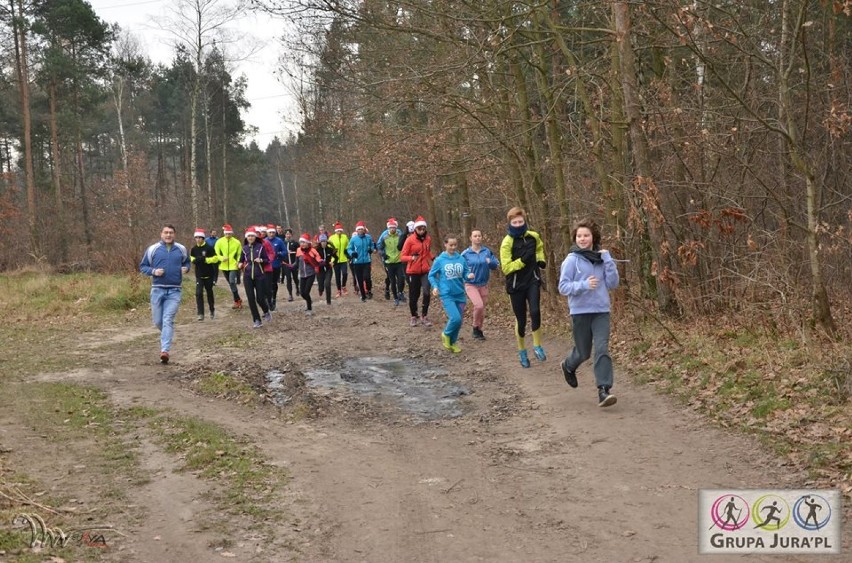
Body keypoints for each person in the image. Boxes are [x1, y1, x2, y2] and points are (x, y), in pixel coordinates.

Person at [558, 219, 620, 407]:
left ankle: (603, 390)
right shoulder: (571, 260)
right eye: (579, 236)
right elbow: (562, 286)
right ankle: (568, 365)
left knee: (601, 348)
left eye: (586, 235)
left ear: (593, 237)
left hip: (601, 311)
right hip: (580, 312)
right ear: (575, 238)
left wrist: (608, 260)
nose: (582, 239)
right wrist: (584, 285)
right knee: (583, 352)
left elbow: (613, 284)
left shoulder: (602, 259)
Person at [500, 207, 547, 368]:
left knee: (535, 311)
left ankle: (537, 345)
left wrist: (540, 260)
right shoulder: (507, 242)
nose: (518, 224)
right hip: (516, 284)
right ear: (510, 223)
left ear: (524, 221)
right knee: (521, 320)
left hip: (532, 280)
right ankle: (522, 351)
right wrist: (522, 261)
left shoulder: (533, 236)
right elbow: (506, 268)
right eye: (515, 222)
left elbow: (539, 249)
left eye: (520, 221)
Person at [139, 225, 190, 364]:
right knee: (158, 321)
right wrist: (154, 271)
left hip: (175, 290)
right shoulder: (153, 249)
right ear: (161, 234)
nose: (168, 235)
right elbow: (143, 267)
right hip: (157, 289)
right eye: (166, 232)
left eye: (171, 233)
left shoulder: (181, 249)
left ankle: (165, 351)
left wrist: (186, 268)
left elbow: (187, 262)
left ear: (175, 234)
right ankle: (168, 334)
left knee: (167, 319)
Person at [429, 234, 473, 353]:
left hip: (460, 294)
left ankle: (452, 342)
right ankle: (446, 334)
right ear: (445, 244)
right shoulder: (440, 260)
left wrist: (468, 276)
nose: (453, 247)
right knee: (455, 318)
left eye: (455, 245)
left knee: (459, 322)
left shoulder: (461, 258)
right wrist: (435, 287)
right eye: (451, 245)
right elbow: (431, 275)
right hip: (447, 294)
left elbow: (465, 273)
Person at [462, 229, 500, 340]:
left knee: (482, 310)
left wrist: (490, 262)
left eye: (479, 236)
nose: (477, 238)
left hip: (483, 284)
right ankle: (475, 327)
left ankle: (479, 330)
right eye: (475, 236)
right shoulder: (465, 254)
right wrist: (467, 274)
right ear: (471, 238)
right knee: (478, 305)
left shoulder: (487, 251)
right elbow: (461, 269)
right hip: (471, 284)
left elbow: (495, 265)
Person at [401, 216, 434, 327]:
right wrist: (411, 258)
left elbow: (428, 252)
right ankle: (413, 316)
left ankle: (424, 316)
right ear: (415, 229)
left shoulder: (428, 238)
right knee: (414, 294)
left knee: (426, 292)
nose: (421, 231)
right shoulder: (409, 240)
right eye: (419, 228)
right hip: (412, 271)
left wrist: (433, 258)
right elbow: (402, 257)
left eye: (423, 228)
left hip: (425, 270)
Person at [240, 227, 271, 328]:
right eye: (249, 236)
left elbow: (267, 260)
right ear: (246, 237)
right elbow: (240, 260)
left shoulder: (261, 247)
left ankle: (266, 311)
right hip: (247, 276)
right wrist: (240, 264)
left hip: (259, 275)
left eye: (252, 236)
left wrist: (261, 260)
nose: (250, 237)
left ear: (255, 237)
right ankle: (257, 320)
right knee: (250, 298)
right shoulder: (244, 248)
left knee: (260, 298)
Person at [190, 228, 217, 321]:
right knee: (198, 293)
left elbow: (215, 258)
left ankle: (212, 310)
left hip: (209, 274)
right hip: (199, 275)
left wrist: (206, 260)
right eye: (196, 238)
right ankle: (200, 313)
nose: (198, 239)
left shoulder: (209, 248)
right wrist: (197, 260)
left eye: (199, 238)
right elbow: (192, 259)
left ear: (203, 238)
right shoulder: (194, 249)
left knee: (209, 293)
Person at [214, 224, 243, 309]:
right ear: (224, 233)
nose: (228, 235)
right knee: (230, 283)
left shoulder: (237, 242)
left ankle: (236, 301)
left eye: (229, 234)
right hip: (223, 266)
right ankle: (238, 299)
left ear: (232, 233)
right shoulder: (219, 241)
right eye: (226, 234)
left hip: (233, 265)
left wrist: (238, 261)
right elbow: (216, 253)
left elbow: (239, 254)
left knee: (232, 281)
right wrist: (221, 258)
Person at [377, 218, 405, 305]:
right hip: (389, 262)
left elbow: (405, 245)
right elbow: (379, 247)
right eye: (390, 228)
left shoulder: (400, 235)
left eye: (394, 228)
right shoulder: (385, 236)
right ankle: (395, 298)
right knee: (392, 281)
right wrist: (383, 254)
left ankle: (400, 293)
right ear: (388, 228)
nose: (392, 229)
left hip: (399, 261)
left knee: (401, 279)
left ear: (396, 228)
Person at [346, 221, 376, 302]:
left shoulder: (368, 237)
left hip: (366, 261)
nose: (360, 231)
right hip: (357, 262)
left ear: (364, 230)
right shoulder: (353, 239)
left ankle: (369, 291)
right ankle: (363, 295)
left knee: (367, 277)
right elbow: (349, 249)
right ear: (357, 230)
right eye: (358, 229)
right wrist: (352, 253)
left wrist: (372, 249)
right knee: (359, 279)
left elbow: (372, 245)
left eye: (361, 229)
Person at [296, 233, 323, 315]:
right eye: (301, 242)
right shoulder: (298, 250)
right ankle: (309, 301)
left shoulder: (312, 250)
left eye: (304, 242)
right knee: (302, 292)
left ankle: (309, 308)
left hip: (310, 274)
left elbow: (318, 259)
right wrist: (290, 266)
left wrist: (321, 262)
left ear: (308, 243)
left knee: (306, 292)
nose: (302, 244)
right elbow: (296, 262)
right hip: (302, 274)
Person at [266, 225, 287, 311]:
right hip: (266, 266)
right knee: (267, 284)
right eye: (270, 232)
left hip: (276, 265)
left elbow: (285, 251)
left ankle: (273, 299)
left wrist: (279, 254)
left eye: (273, 232)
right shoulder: (264, 241)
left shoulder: (279, 241)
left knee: (274, 283)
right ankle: (268, 300)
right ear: (267, 233)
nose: (271, 234)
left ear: (275, 233)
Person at [328, 221, 350, 297]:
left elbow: (348, 246)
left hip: (343, 259)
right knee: (337, 275)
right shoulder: (331, 238)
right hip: (335, 260)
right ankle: (338, 290)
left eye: (340, 230)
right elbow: (329, 249)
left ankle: (343, 286)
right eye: (337, 230)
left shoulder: (345, 237)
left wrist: (347, 253)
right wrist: (331, 258)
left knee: (344, 273)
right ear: (335, 231)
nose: (339, 232)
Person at [315, 233, 337, 305]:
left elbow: (336, 258)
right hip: (320, 270)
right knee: (321, 285)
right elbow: (313, 258)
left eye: (324, 241)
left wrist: (333, 262)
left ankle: (328, 301)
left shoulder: (330, 249)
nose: (323, 243)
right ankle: (320, 290)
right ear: (320, 242)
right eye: (322, 241)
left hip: (328, 269)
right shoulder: (317, 250)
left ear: (326, 242)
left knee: (327, 284)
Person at [280, 228, 299, 302]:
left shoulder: (295, 243)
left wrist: (293, 253)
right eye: (287, 234)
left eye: (289, 234)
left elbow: (299, 251)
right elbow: (280, 252)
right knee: (288, 279)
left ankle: (297, 288)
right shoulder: (282, 243)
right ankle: (290, 295)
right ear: (285, 235)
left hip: (294, 263)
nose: (288, 235)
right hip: (286, 263)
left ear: (291, 235)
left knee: (295, 278)